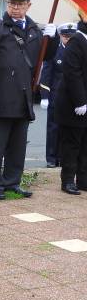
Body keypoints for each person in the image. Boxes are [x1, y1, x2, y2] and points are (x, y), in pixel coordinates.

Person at [0, 0, 56, 199]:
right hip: (1, 96)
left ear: (28, 6)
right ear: (7, 4)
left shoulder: (33, 30)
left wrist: (54, 37)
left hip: (23, 97)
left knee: (17, 146)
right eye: (12, 3)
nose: (15, 8)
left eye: (20, 4)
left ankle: (12, 181)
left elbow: (46, 57)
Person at [54, 16, 87, 195]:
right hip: (73, 104)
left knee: (85, 145)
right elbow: (72, 73)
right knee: (71, 145)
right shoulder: (77, 41)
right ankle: (67, 181)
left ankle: (83, 180)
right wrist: (81, 101)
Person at [40, 23, 76, 168]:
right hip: (55, 95)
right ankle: (51, 157)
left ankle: (64, 157)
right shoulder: (54, 49)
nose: (67, 39)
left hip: (72, 97)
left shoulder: (77, 50)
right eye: (65, 36)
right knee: (53, 128)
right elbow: (46, 73)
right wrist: (44, 96)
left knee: (68, 129)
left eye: (70, 36)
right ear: (60, 36)